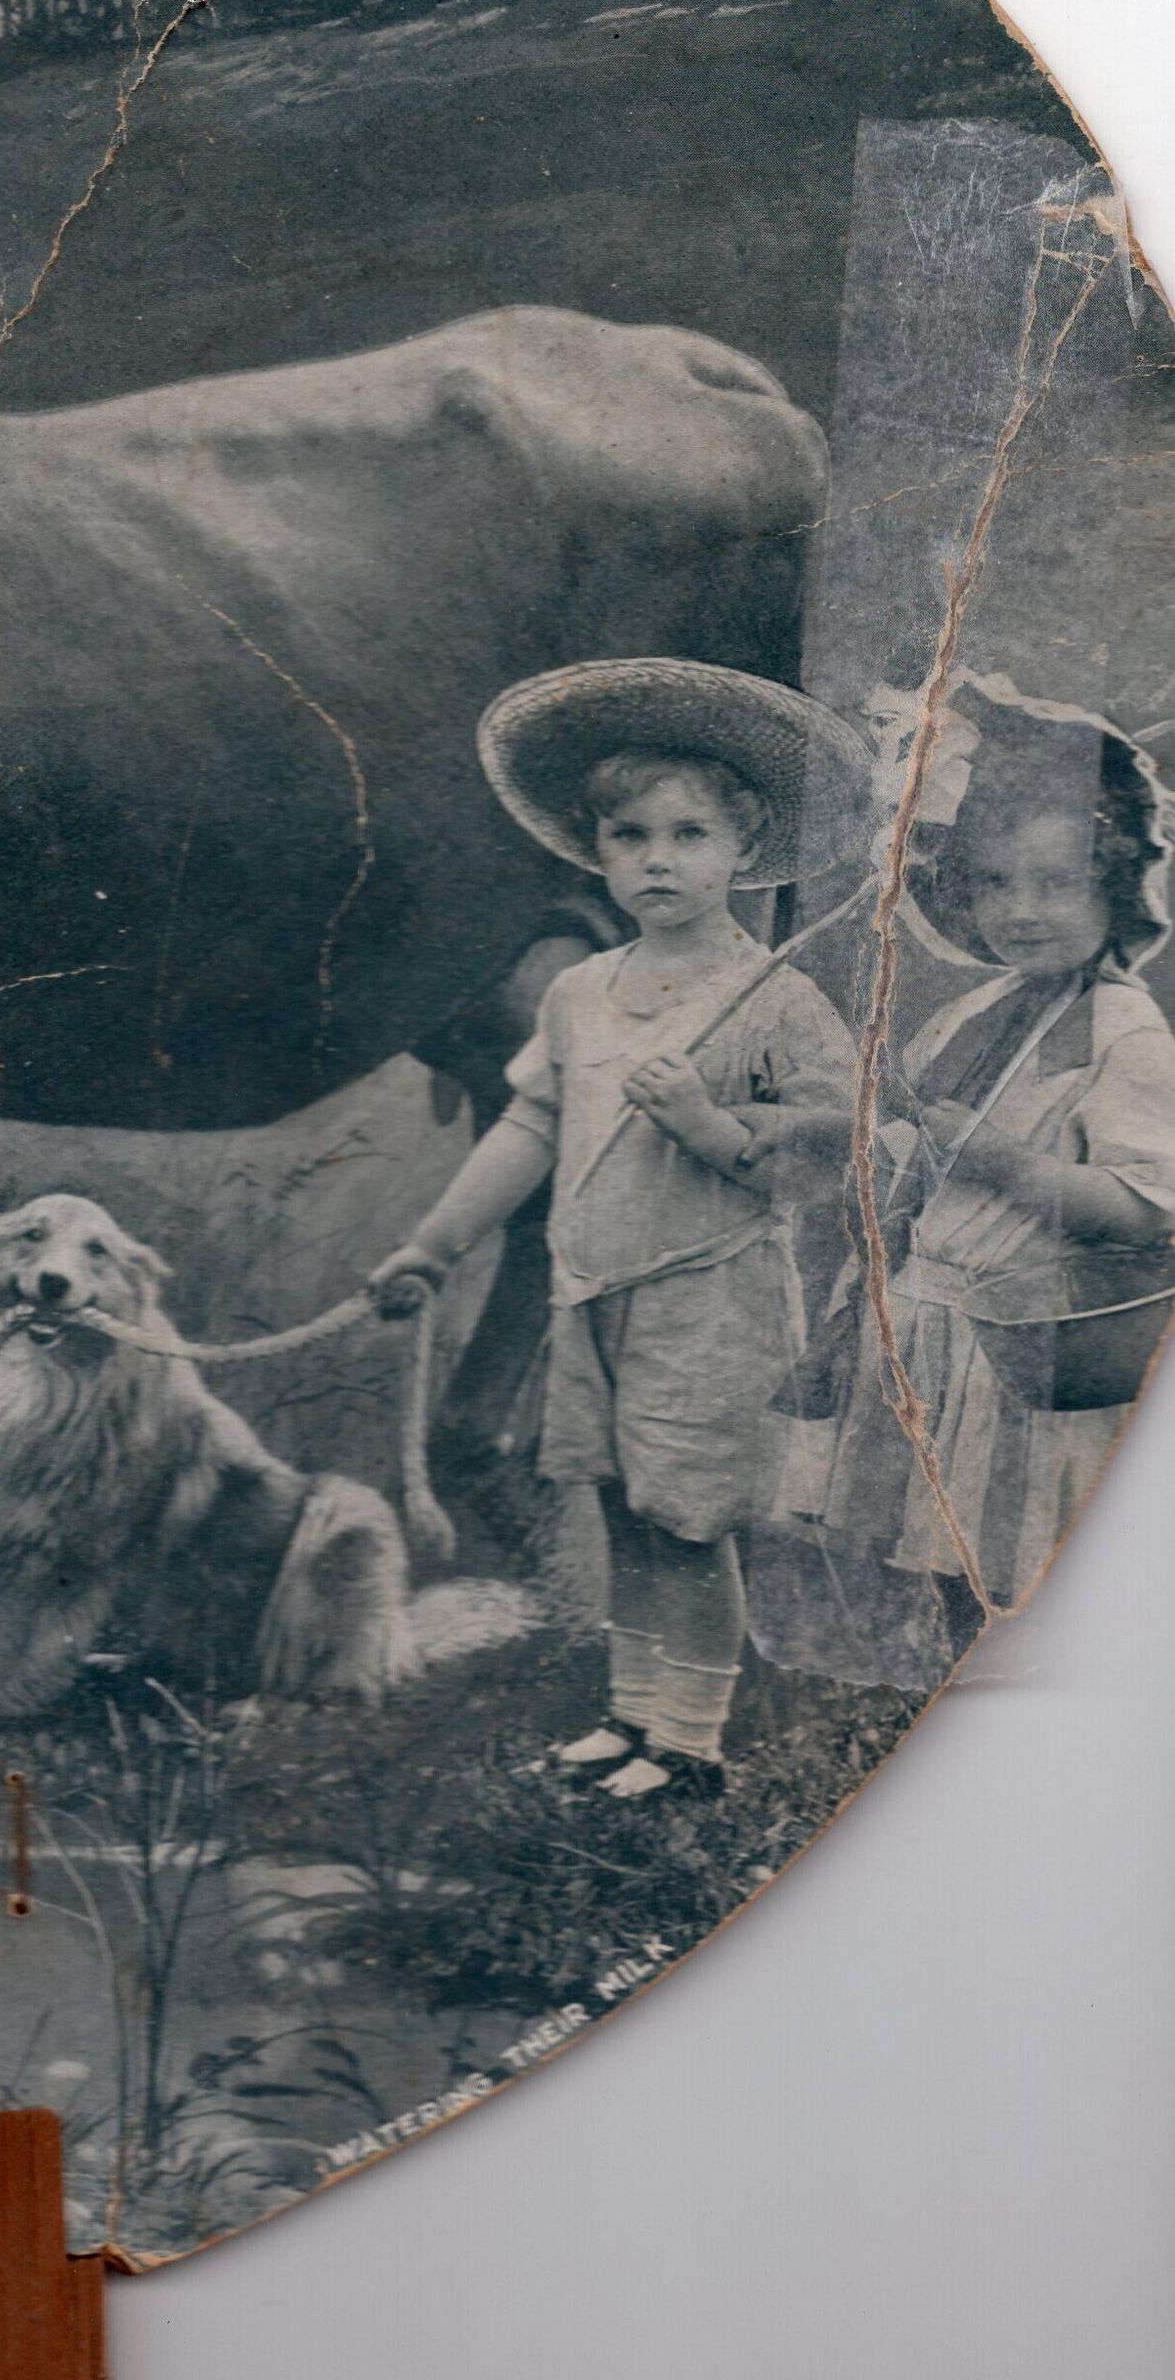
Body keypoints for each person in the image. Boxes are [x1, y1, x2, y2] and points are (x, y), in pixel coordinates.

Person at [371, 659, 866, 1799]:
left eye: (689, 835)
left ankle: (688, 1745)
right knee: (617, 1507)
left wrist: (704, 1124)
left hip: (709, 1296)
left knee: (684, 1521)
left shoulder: (775, 996)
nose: (657, 860)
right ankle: (631, 1717)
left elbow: (828, 1151)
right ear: (594, 850)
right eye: (628, 836)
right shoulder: (579, 993)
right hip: (591, 1290)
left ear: (742, 848)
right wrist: (432, 1246)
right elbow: (530, 1123)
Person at [772, 679, 1175, 1643]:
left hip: (1021, 1345)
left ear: (1114, 884)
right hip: (928, 1325)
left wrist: (1005, 1164)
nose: (1021, 911)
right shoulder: (974, 1012)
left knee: (1018, 1560)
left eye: (1055, 883)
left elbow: (1147, 1209)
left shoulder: (1124, 1037)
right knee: (939, 1554)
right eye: (995, 883)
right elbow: (907, 1164)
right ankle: (958, 1679)